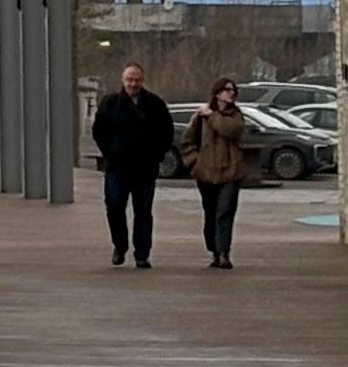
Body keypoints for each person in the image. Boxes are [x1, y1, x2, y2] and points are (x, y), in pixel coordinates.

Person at [92, 63, 168, 268]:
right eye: (129, 79)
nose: (133, 83)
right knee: (114, 207)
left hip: (145, 168)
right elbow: (98, 131)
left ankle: (142, 253)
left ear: (142, 80)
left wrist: (157, 156)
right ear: (123, 80)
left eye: (137, 80)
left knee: (143, 211)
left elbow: (166, 132)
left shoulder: (154, 104)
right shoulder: (110, 103)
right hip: (117, 168)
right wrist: (110, 153)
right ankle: (120, 245)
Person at [180, 76, 249, 268]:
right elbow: (187, 141)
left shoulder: (236, 116)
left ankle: (223, 252)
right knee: (210, 213)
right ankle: (213, 249)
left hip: (230, 172)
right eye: (227, 89)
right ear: (217, 93)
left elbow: (231, 130)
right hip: (206, 173)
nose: (231, 93)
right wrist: (195, 162)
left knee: (225, 212)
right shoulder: (200, 118)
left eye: (233, 90)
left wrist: (212, 116)